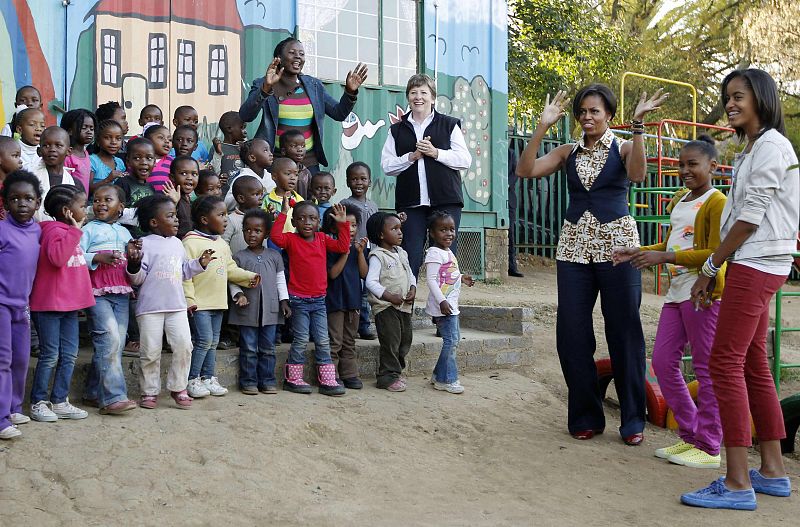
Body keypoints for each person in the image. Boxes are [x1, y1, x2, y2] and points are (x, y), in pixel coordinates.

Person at [515, 83, 668, 445]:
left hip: (618, 249)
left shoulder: (625, 145)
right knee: (571, 334)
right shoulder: (568, 152)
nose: (587, 117)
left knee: (625, 331)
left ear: (609, 115)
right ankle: (585, 415)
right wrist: (542, 126)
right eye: (582, 111)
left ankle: (633, 419)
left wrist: (638, 127)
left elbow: (637, 175)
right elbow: (525, 170)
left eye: (594, 111)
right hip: (573, 251)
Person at [680, 69, 798, 511]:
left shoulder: (771, 147)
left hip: (755, 263)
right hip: (758, 262)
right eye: (727, 97)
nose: (730, 104)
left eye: (738, 97)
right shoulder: (754, 148)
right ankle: (771, 471)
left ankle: (734, 482)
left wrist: (711, 266)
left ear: (761, 99)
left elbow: (749, 218)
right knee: (751, 363)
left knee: (722, 362)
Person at [613, 136, 726, 468]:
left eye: (693, 164)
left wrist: (665, 255)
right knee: (662, 363)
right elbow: (676, 240)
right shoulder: (683, 200)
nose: (685, 170)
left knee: (706, 369)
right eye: (681, 164)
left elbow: (716, 252)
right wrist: (643, 251)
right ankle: (691, 435)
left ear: (712, 167)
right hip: (677, 294)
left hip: (703, 293)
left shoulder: (716, 202)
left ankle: (709, 445)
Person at [380, 73, 473, 277]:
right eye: (413, 93)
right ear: (408, 98)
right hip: (411, 204)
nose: (418, 97)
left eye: (424, 92)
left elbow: (465, 160)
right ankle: (406, 305)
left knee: (443, 257)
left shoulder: (449, 124)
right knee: (409, 255)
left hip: (446, 201)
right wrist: (411, 157)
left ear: (433, 98)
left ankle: (445, 306)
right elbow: (387, 166)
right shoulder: (396, 130)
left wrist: (435, 153)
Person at [127, 194, 213, 409]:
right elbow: (137, 280)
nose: (177, 220)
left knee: (184, 346)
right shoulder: (143, 244)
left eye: (176, 216)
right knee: (150, 352)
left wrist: (199, 263)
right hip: (150, 308)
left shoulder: (177, 243)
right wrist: (134, 263)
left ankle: (178, 387)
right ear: (154, 222)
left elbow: (183, 271)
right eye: (171, 216)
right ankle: (149, 392)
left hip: (177, 306)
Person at [239, 37, 368, 171]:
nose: (298, 57)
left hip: (308, 163)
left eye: (301, 54)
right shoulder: (264, 83)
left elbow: (339, 113)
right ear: (279, 58)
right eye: (292, 53)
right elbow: (246, 115)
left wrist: (350, 92)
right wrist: (265, 89)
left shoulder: (314, 86)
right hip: (276, 163)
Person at [270, 198, 350, 396]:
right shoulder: (291, 239)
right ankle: (293, 378)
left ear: (319, 222)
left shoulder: (322, 239)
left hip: (319, 300)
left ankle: (327, 379)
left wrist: (342, 224)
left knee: (323, 340)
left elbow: (342, 246)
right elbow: (275, 237)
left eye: (312, 218)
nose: (307, 222)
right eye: (302, 218)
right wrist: (283, 213)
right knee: (301, 339)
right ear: (295, 222)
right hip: (298, 300)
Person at [182, 196, 259, 398]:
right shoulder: (190, 242)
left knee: (213, 342)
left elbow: (230, 269)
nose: (226, 219)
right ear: (205, 219)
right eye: (221, 215)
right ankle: (192, 379)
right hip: (199, 304)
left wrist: (249, 277)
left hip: (218, 303)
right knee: (204, 341)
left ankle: (208, 377)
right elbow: (185, 275)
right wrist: (190, 300)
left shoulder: (221, 244)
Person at [28, 185, 94, 422]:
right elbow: (57, 259)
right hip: (49, 305)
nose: (85, 209)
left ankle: (59, 401)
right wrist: (75, 232)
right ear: (67, 211)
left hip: (68, 306)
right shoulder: (54, 231)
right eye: (81, 205)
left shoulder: (67, 230)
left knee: (70, 355)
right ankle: (38, 402)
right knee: (50, 355)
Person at [80, 184, 138, 415]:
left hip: (121, 293)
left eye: (108, 200)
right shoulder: (88, 230)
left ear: (121, 207)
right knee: (110, 338)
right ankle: (114, 397)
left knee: (115, 342)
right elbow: (75, 256)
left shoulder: (125, 232)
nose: (101, 204)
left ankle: (93, 392)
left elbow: (133, 267)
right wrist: (98, 257)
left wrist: (134, 255)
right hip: (96, 292)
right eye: (96, 200)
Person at [0, 170, 42, 440]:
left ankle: (14, 406)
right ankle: (1, 417)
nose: (22, 204)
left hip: (22, 306)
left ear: (38, 202)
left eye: (28, 199)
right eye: (15, 199)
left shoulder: (38, 229)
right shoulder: (2, 229)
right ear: (4, 203)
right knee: (2, 360)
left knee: (20, 358)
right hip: (1, 304)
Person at [230, 208, 290, 394]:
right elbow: (233, 279)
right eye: (248, 230)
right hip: (247, 310)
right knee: (248, 348)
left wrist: (284, 301)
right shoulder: (239, 257)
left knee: (268, 348)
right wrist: (239, 295)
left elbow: (280, 280)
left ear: (266, 233)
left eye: (257, 230)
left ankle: (267, 381)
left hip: (271, 311)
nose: (252, 234)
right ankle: (248, 382)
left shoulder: (274, 255)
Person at [425, 210, 475, 394]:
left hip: (451, 305)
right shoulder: (434, 253)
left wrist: (462, 277)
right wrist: (442, 301)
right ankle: (447, 380)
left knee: (452, 340)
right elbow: (431, 280)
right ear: (432, 233)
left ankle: (439, 375)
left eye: (451, 229)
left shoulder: (448, 252)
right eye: (443, 230)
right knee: (451, 341)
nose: (448, 233)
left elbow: (447, 275)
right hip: (444, 307)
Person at [365, 212, 416, 391]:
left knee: (405, 340)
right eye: (394, 229)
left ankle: (396, 372)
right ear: (381, 235)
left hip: (404, 307)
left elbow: (410, 274)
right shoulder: (377, 256)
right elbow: (371, 282)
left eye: (400, 228)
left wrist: (413, 289)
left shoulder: (401, 252)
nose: (400, 232)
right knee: (391, 341)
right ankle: (387, 377)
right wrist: (388, 296)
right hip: (386, 307)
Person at [324, 204, 368, 389]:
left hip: (353, 301)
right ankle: (330, 376)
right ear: (333, 226)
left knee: (350, 340)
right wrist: (345, 253)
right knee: (335, 342)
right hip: (335, 302)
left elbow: (364, 274)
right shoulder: (330, 247)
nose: (350, 229)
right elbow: (333, 274)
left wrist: (358, 253)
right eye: (345, 225)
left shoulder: (359, 248)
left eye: (353, 225)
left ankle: (349, 374)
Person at [340, 161, 379, 340]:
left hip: (369, 252)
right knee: (354, 287)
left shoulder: (373, 205)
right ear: (348, 182)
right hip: (350, 252)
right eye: (354, 179)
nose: (359, 183)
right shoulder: (344, 203)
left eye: (363, 179)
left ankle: (364, 325)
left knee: (366, 289)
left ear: (369, 182)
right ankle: (352, 325)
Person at [30, 127, 80, 221]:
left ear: (69, 151)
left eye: (58, 145)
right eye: (46, 145)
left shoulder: (74, 183)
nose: (52, 149)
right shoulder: (29, 178)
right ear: (39, 151)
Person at [223, 138, 275, 211]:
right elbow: (228, 204)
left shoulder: (270, 177)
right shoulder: (243, 178)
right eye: (265, 150)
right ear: (252, 157)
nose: (270, 154)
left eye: (269, 150)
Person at [223, 175, 265, 255]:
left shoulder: (262, 218)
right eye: (256, 194)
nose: (260, 198)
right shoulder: (231, 220)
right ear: (241, 199)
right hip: (236, 265)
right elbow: (224, 244)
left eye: (261, 194)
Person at [61, 109, 97, 193]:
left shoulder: (86, 153)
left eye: (92, 129)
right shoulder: (67, 156)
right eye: (84, 128)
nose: (89, 132)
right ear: (70, 131)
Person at [212, 110, 247, 195]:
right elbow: (214, 170)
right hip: (224, 194)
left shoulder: (243, 148)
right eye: (242, 127)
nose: (245, 131)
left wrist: (245, 151)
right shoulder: (219, 147)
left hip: (242, 194)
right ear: (229, 129)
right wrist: (218, 152)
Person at [263, 157, 302, 229]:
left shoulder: (300, 201)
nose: (293, 178)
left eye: (296, 174)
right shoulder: (266, 200)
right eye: (288, 174)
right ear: (274, 176)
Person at [89, 120, 126, 194]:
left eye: (118, 138)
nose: (113, 142)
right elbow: (88, 189)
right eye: (107, 138)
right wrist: (107, 180)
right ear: (98, 140)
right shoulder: (92, 161)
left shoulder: (120, 162)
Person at [170, 156, 199, 239]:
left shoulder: (190, 199)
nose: (189, 178)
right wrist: (173, 203)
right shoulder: (171, 198)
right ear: (172, 177)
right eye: (184, 173)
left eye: (194, 174)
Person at [278, 129, 312, 199]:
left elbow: (310, 195)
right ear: (283, 151)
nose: (300, 149)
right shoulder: (279, 171)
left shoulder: (306, 172)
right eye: (294, 146)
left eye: (303, 146)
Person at [507, 138, 523, 277]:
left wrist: (506, 184)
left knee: (511, 233)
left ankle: (512, 267)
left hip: (509, 198)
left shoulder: (511, 153)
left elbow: (516, 172)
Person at [144, 124, 173, 192]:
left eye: (170, 139)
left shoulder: (173, 162)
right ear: (148, 141)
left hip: (167, 201)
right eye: (161, 137)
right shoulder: (141, 161)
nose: (167, 141)